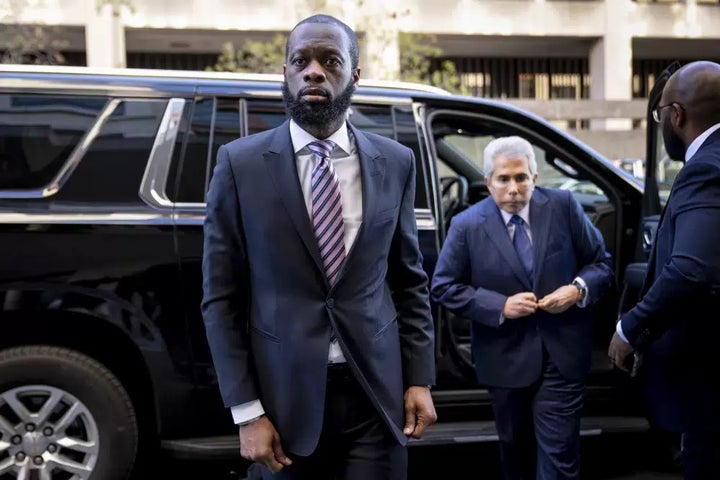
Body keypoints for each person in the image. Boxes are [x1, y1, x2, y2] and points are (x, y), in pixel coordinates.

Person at [201, 14, 437, 480]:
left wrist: (418, 378)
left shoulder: (396, 162)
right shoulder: (240, 164)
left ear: (354, 75)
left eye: (330, 60)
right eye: (301, 61)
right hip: (282, 402)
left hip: (377, 395)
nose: (314, 71)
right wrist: (247, 412)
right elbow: (220, 299)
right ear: (285, 74)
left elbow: (409, 282)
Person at [431, 136, 613, 480]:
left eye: (521, 178)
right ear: (488, 183)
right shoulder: (467, 225)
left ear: (535, 178)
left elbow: (600, 264)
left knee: (559, 456)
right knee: (516, 452)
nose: (513, 188)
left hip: (561, 353)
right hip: (504, 358)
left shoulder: (563, 206)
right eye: (503, 179)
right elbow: (443, 286)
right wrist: (500, 306)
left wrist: (577, 290)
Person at [608, 60, 720, 479]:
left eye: (660, 117)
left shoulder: (705, 169)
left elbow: (691, 270)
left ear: (676, 116)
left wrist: (630, 327)